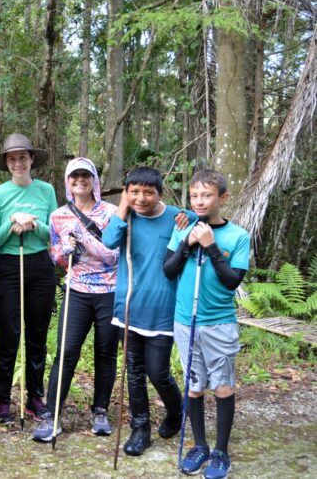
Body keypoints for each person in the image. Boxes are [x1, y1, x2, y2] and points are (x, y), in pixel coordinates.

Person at [163, 170, 250, 479]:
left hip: (218, 324)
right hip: (185, 322)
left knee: (223, 387)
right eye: (195, 196)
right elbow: (169, 270)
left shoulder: (238, 236)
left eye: (207, 195)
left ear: (222, 198)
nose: (200, 201)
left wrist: (212, 247)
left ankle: (221, 451)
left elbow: (231, 282)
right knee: (195, 386)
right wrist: (187, 242)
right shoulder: (183, 228)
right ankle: (199, 445)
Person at [102, 166, 194, 456]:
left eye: (148, 192)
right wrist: (122, 209)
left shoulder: (176, 217)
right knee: (134, 372)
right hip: (128, 307)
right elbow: (108, 242)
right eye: (134, 192)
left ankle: (176, 412)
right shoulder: (124, 218)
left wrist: (190, 217)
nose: (141, 198)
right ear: (127, 193)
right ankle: (140, 429)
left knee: (158, 372)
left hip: (162, 310)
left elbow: (194, 220)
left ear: (160, 193)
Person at [33, 157, 119, 442]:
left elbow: (113, 255)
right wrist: (66, 250)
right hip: (77, 291)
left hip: (109, 292)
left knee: (105, 353)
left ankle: (100, 411)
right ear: (67, 182)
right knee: (66, 353)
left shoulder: (111, 212)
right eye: (74, 176)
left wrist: (83, 236)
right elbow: (58, 259)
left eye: (85, 176)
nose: (79, 180)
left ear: (94, 180)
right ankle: (52, 415)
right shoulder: (58, 216)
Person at [0, 133, 58, 424]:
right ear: (6, 163)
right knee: (10, 334)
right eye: (12, 158)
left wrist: (34, 223)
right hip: (8, 267)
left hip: (40, 265)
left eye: (23, 157)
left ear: (31, 160)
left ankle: (35, 398)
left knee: (37, 336)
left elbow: (54, 233)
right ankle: (3, 401)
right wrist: (12, 221)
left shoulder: (46, 190)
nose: (18, 163)